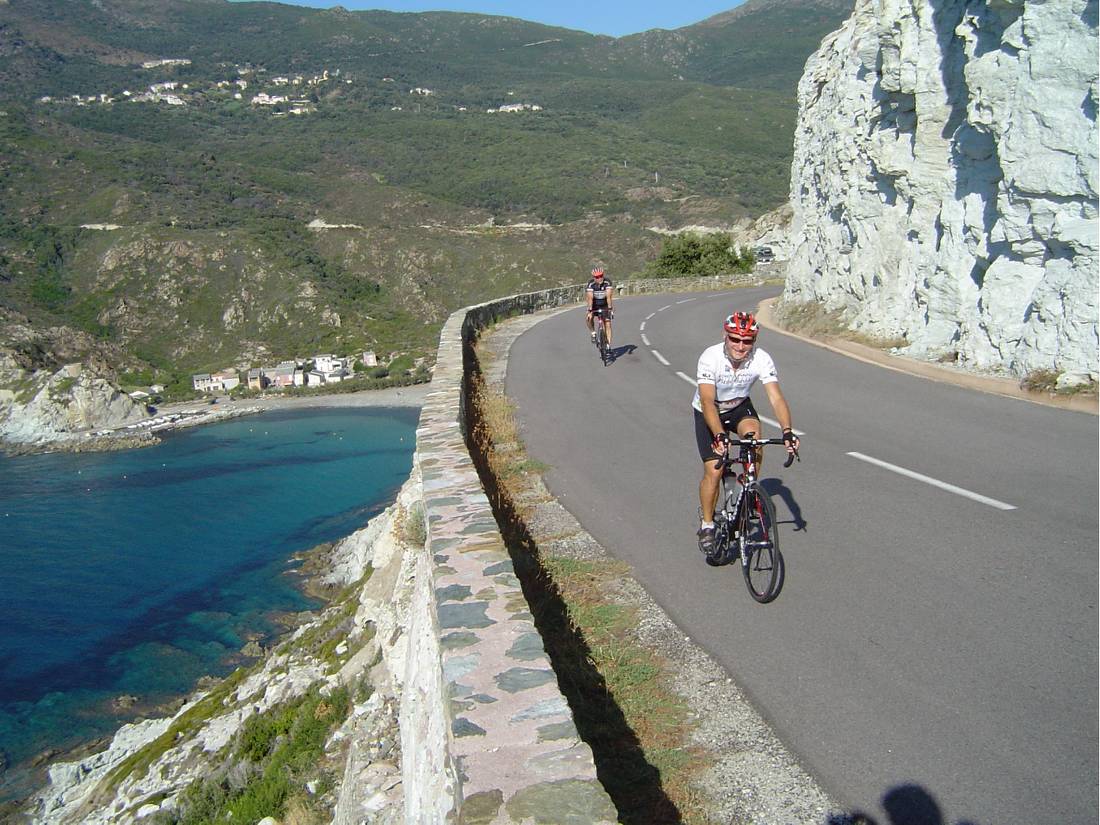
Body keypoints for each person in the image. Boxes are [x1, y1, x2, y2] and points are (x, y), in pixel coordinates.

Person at [693, 311, 799, 554]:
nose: (741, 346)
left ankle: (747, 485)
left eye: (747, 341)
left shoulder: (761, 359)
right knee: (714, 470)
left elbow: (776, 396)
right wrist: (720, 435)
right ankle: (707, 524)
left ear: (754, 340)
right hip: (709, 411)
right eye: (735, 339)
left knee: (754, 438)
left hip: (740, 406)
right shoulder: (710, 357)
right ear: (726, 336)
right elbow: (708, 401)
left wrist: (787, 431)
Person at [585, 267, 613, 350]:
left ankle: (608, 345)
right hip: (594, 304)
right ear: (594, 278)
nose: (599, 278)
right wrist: (590, 311)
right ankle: (593, 333)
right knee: (588, 318)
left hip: (604, 304)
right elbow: (590, 298)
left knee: (607, 323)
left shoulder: (607, 282)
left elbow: (608, 297)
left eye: (601, 276)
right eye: (597, 277)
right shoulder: (591, 284)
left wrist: (610, 309)